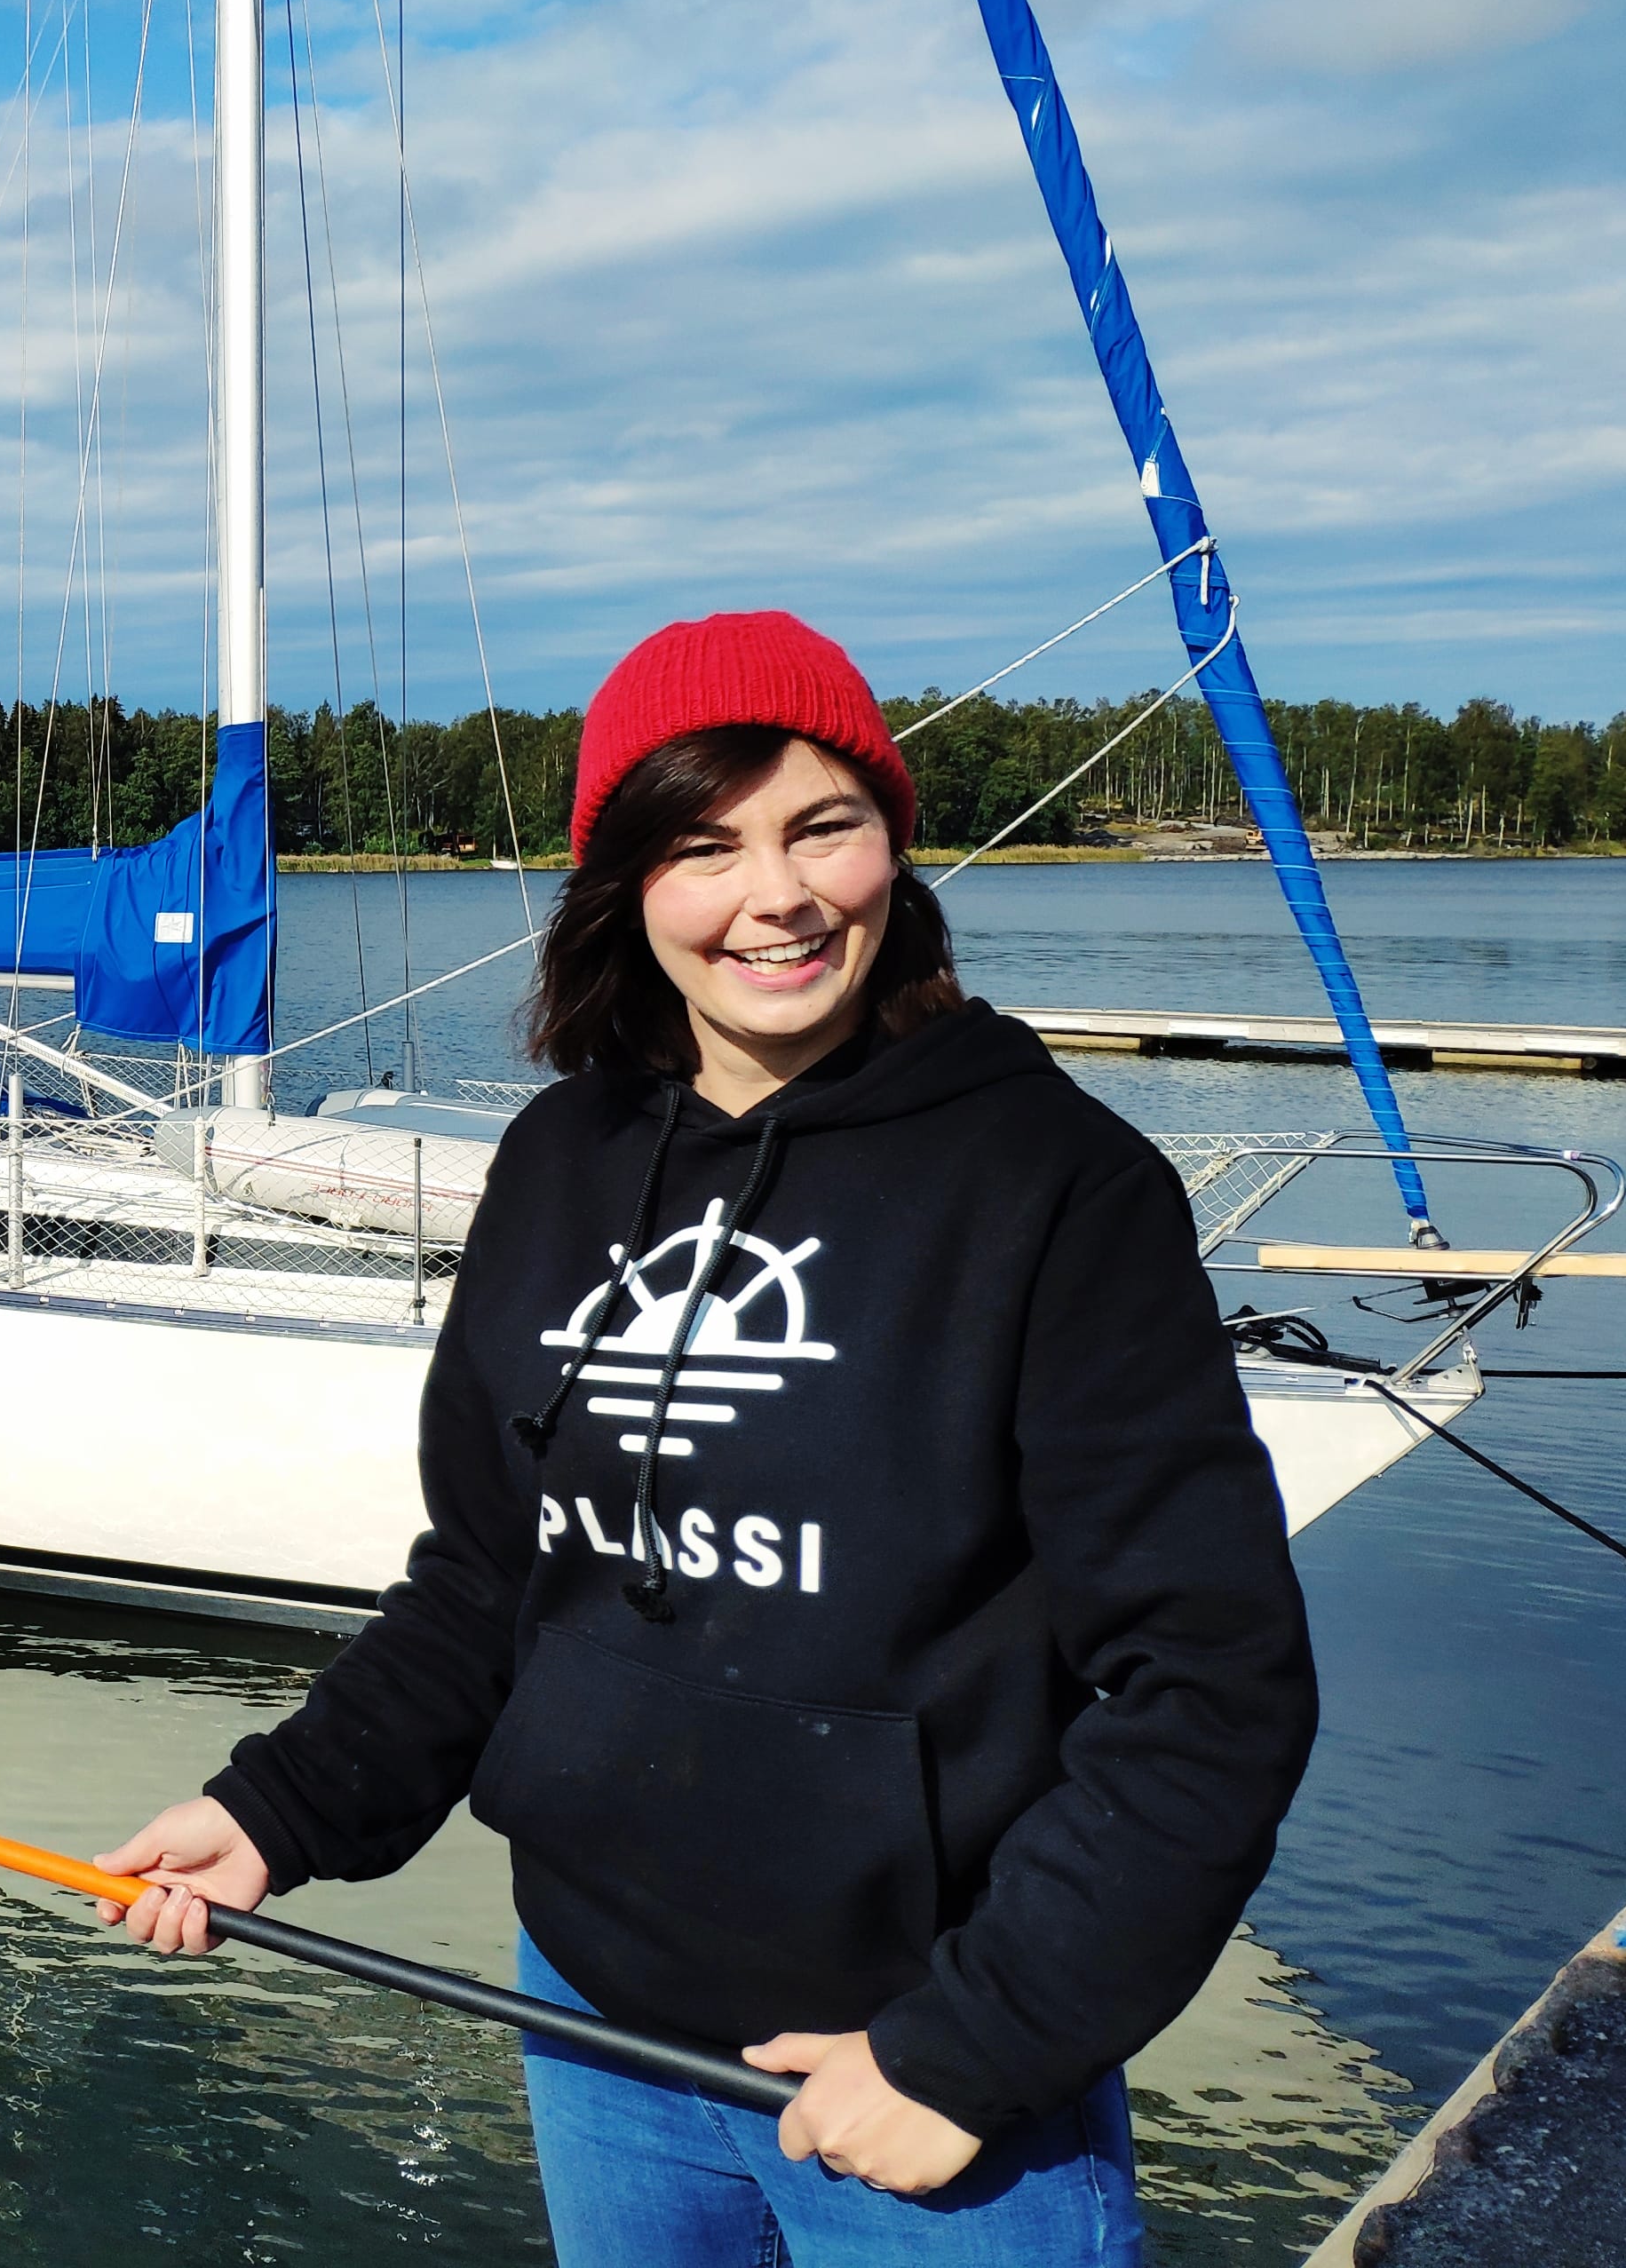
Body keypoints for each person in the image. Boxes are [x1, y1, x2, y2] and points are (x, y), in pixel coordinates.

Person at [96, 610, 1316, 2264]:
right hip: (592, 2008)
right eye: (703, 846)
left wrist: (977, 2042)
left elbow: (1211, 1687)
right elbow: (491, 1581)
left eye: (825, 826)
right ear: (625, 888)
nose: (778, 897)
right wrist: (283, 1809)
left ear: (894, 842)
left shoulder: (1060, 1191)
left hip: (917, 2064)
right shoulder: (558, 1158)